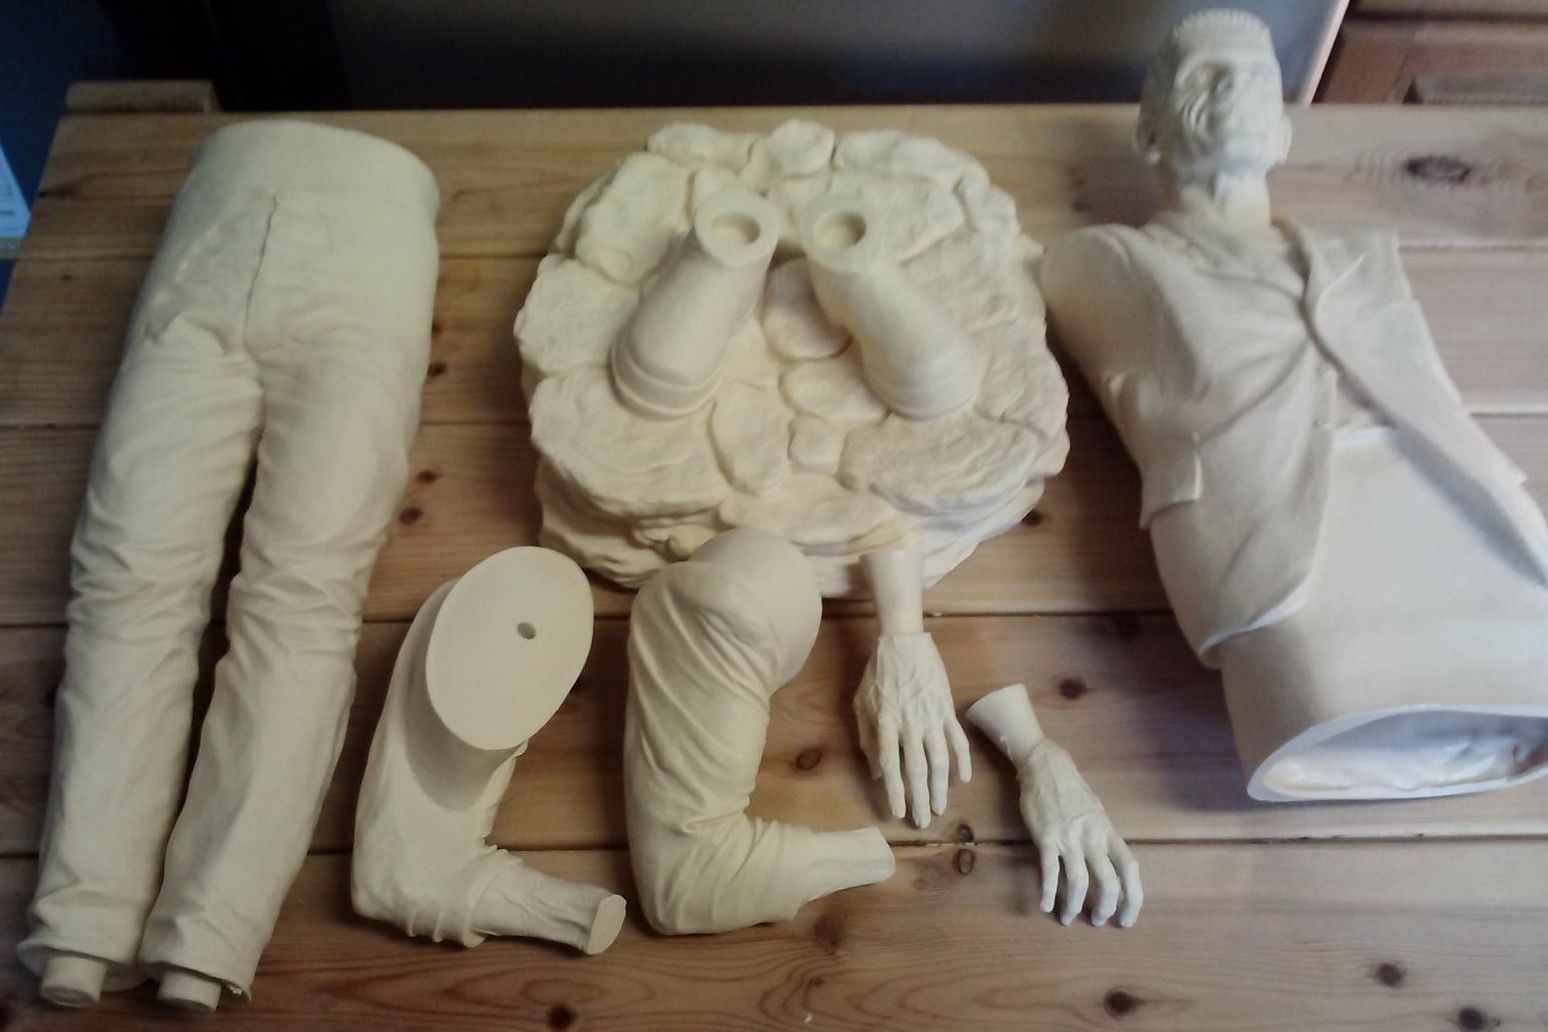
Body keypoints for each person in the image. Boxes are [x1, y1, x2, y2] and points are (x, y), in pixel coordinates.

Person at [1041, 9, 1548, 801]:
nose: (1234, 86)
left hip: (1446, 497)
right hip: (1271, 528)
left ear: (1283, 134)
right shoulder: (1100, 263)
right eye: (1206, 76)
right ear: (1151, 133)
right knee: (1315, 696)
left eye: (1256, 77)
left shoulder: (1361, 254)